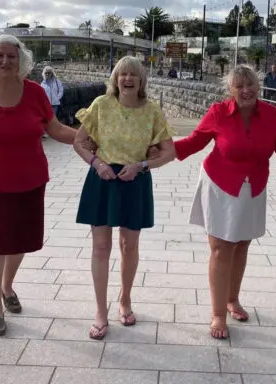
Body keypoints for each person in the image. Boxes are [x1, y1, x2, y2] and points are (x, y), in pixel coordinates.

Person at [0, 35, 77, 336]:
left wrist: (89, 138)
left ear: (22, 61)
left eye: (12, 56)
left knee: (19, 241)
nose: (5, 61)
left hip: (28, 183)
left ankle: (7, 287)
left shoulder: (35, 93)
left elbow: (55, 129)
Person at [169, 65, 276, 339]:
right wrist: (159, 151)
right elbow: (193, 142)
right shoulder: (218, 112)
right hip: (220, 185)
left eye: (250, 84)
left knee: (242, 244)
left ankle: (232, 298)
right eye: (239, 85)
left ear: (258, 87)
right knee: (221, 248)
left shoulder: (271, 115)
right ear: (231, 90)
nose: (246, 90)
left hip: (253, 186)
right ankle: (217, 313)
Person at [73, 56, 175, 340]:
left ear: (142, 80)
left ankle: (125, 300)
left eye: (133, 75)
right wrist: (97, 164)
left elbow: (169, 152)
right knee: (101, 247)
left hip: (135, 181)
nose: (128, 79)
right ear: (115, 79)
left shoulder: (153, 111)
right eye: (122, 74)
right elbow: (79, 142)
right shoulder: (100, 105)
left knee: (129, 246)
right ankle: (100, 312)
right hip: (103, 179)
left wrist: (142, 166)